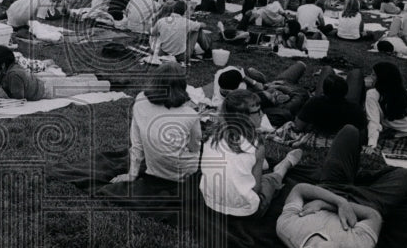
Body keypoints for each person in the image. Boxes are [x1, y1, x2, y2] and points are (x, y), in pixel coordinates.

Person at [275, 125, 407, 248]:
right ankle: (363, 180)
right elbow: (373, 216)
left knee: (350, 131)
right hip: (367, 201)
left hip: (330, 188)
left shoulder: (287, 229)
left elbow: (299, 189)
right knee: (404, 175)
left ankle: (355, 178)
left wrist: (334, 202)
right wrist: (335, 205)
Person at [199, 89, 303, 217]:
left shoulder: (211, 135)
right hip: (246, 211)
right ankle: (283, 167)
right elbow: (256, 188)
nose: (262, 114)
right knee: (268, 181)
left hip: (210, 202)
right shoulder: (256, 145)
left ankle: (259, 166)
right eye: (257, 111)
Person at [111, 63, 202, 183]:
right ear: (182, 85)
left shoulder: (140, 100)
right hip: (183, 173)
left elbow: (137, 142)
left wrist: (132, 174)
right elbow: (194, 147)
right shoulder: (190, 114)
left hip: (154, 168)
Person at [293, 67, 367, 135]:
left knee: (327, 69)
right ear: (346, 90)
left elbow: (298, 126)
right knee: (356, 73)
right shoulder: (354, 109)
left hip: (325, 107)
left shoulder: (314, 103)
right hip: (346, 109)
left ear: (324, 91)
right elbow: (362, 132)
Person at [363, 62, 407, 152]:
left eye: (373, 75)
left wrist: (371, 144)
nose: (370, 77)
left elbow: (373, 121)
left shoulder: (372, 94)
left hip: (390, 127)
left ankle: (386, 132)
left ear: (382, 79)